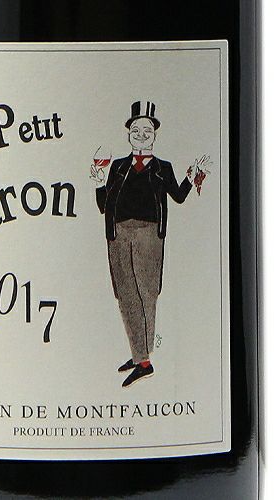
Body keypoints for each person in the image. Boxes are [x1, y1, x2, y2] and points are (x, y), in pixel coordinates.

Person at [92, 101, 210, 388]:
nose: (141, 135)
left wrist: (194, 175)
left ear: (155, 135)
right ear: (128, 134)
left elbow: (179, 196)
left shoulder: (162, 167)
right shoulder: (118, 166)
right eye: (136, 130)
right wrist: (98, 182)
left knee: (147, 293)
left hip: (148, 234)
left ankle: (144, 361)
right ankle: (139, 355)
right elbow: (103, 205)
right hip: (118, 234)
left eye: (147, 130)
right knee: (125, 294)